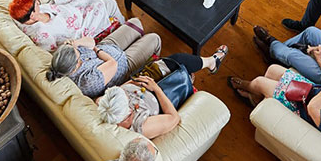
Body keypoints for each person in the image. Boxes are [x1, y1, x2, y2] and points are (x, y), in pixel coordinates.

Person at [96, 47, 229, 139]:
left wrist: (132, 84)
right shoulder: (141, 126)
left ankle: (210, 63)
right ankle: (212, 62)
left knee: (176, 59)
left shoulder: (103, 103)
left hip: (146, 83)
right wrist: (156, 89)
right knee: (181, 65)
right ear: (127, 113)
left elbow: (119, 90)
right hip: (162, 93)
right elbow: (174, 118)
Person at [45, 20, 162, 98]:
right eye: (76, 52)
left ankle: (140, 42)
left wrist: (75, 43)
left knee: (135, 22)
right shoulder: (87, 81)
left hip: (107, 46)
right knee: (154, 39)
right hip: (123, 63)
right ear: (74, 66)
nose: (77, 50)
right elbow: (112, 63)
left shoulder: (67, 56)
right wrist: (96, 50)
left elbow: (91, 42)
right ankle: (155, 60)